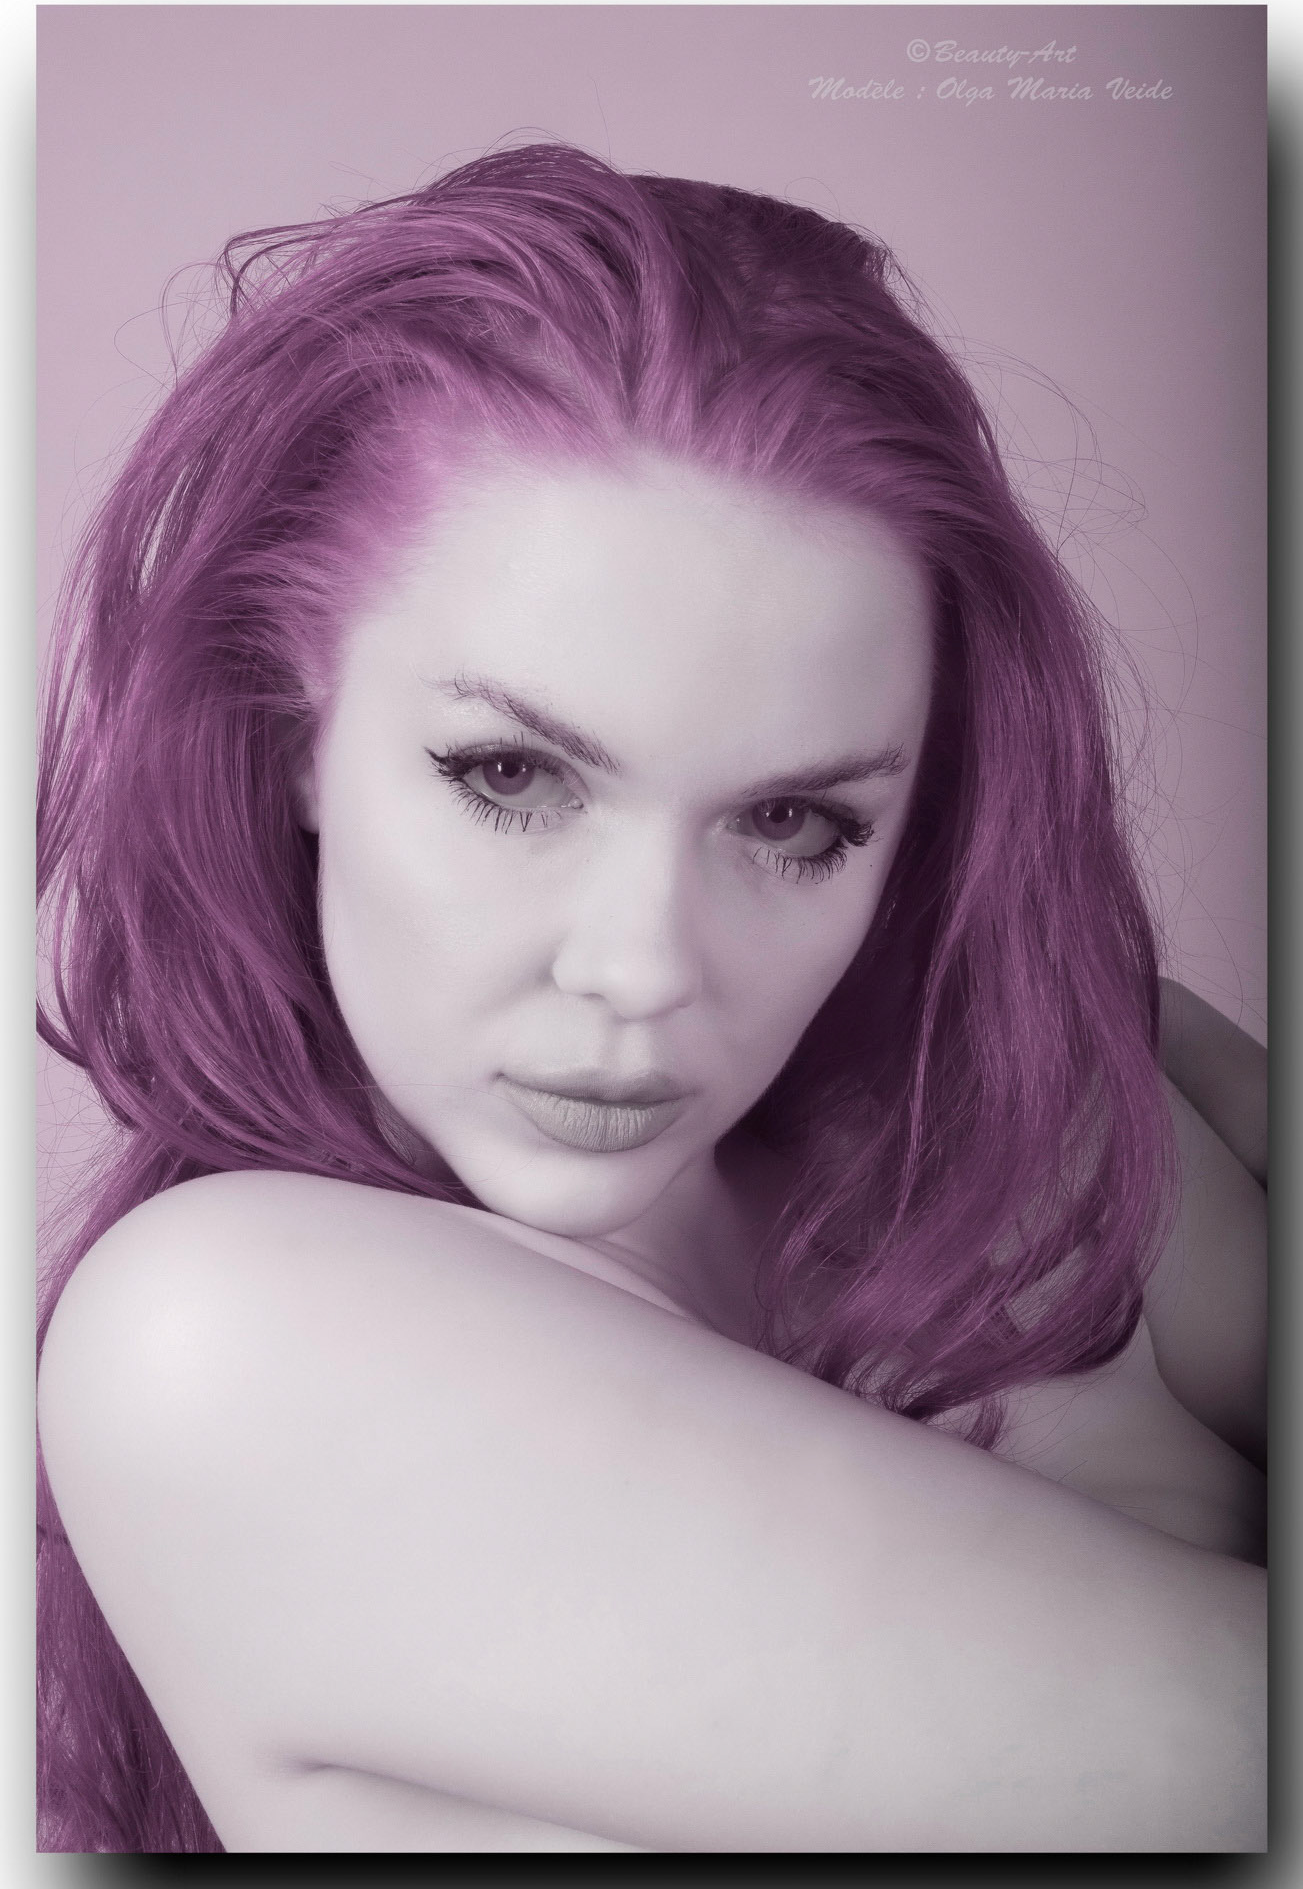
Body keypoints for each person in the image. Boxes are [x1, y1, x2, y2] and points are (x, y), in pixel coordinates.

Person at [35, 141, 1267, 1854]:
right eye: (511, 777)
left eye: (792, 822)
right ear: (290, 725)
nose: (644, 968)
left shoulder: (1013, 1132)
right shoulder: (221, 1345)